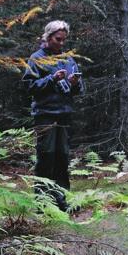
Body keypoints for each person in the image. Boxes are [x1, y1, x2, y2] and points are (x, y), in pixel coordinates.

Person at [22, 20, 84, 210]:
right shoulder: (36, 58)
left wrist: (74, 83)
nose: (61, 43)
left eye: (64, 39)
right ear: (48, 37)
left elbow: (79, 89)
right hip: (45, 115)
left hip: (64, 115)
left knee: (62, 157)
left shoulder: (68, 59)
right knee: (46, 157)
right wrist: (51, 79)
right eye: (58, 39)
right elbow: (28, 86)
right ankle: (42, 202)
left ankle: (62, 199)